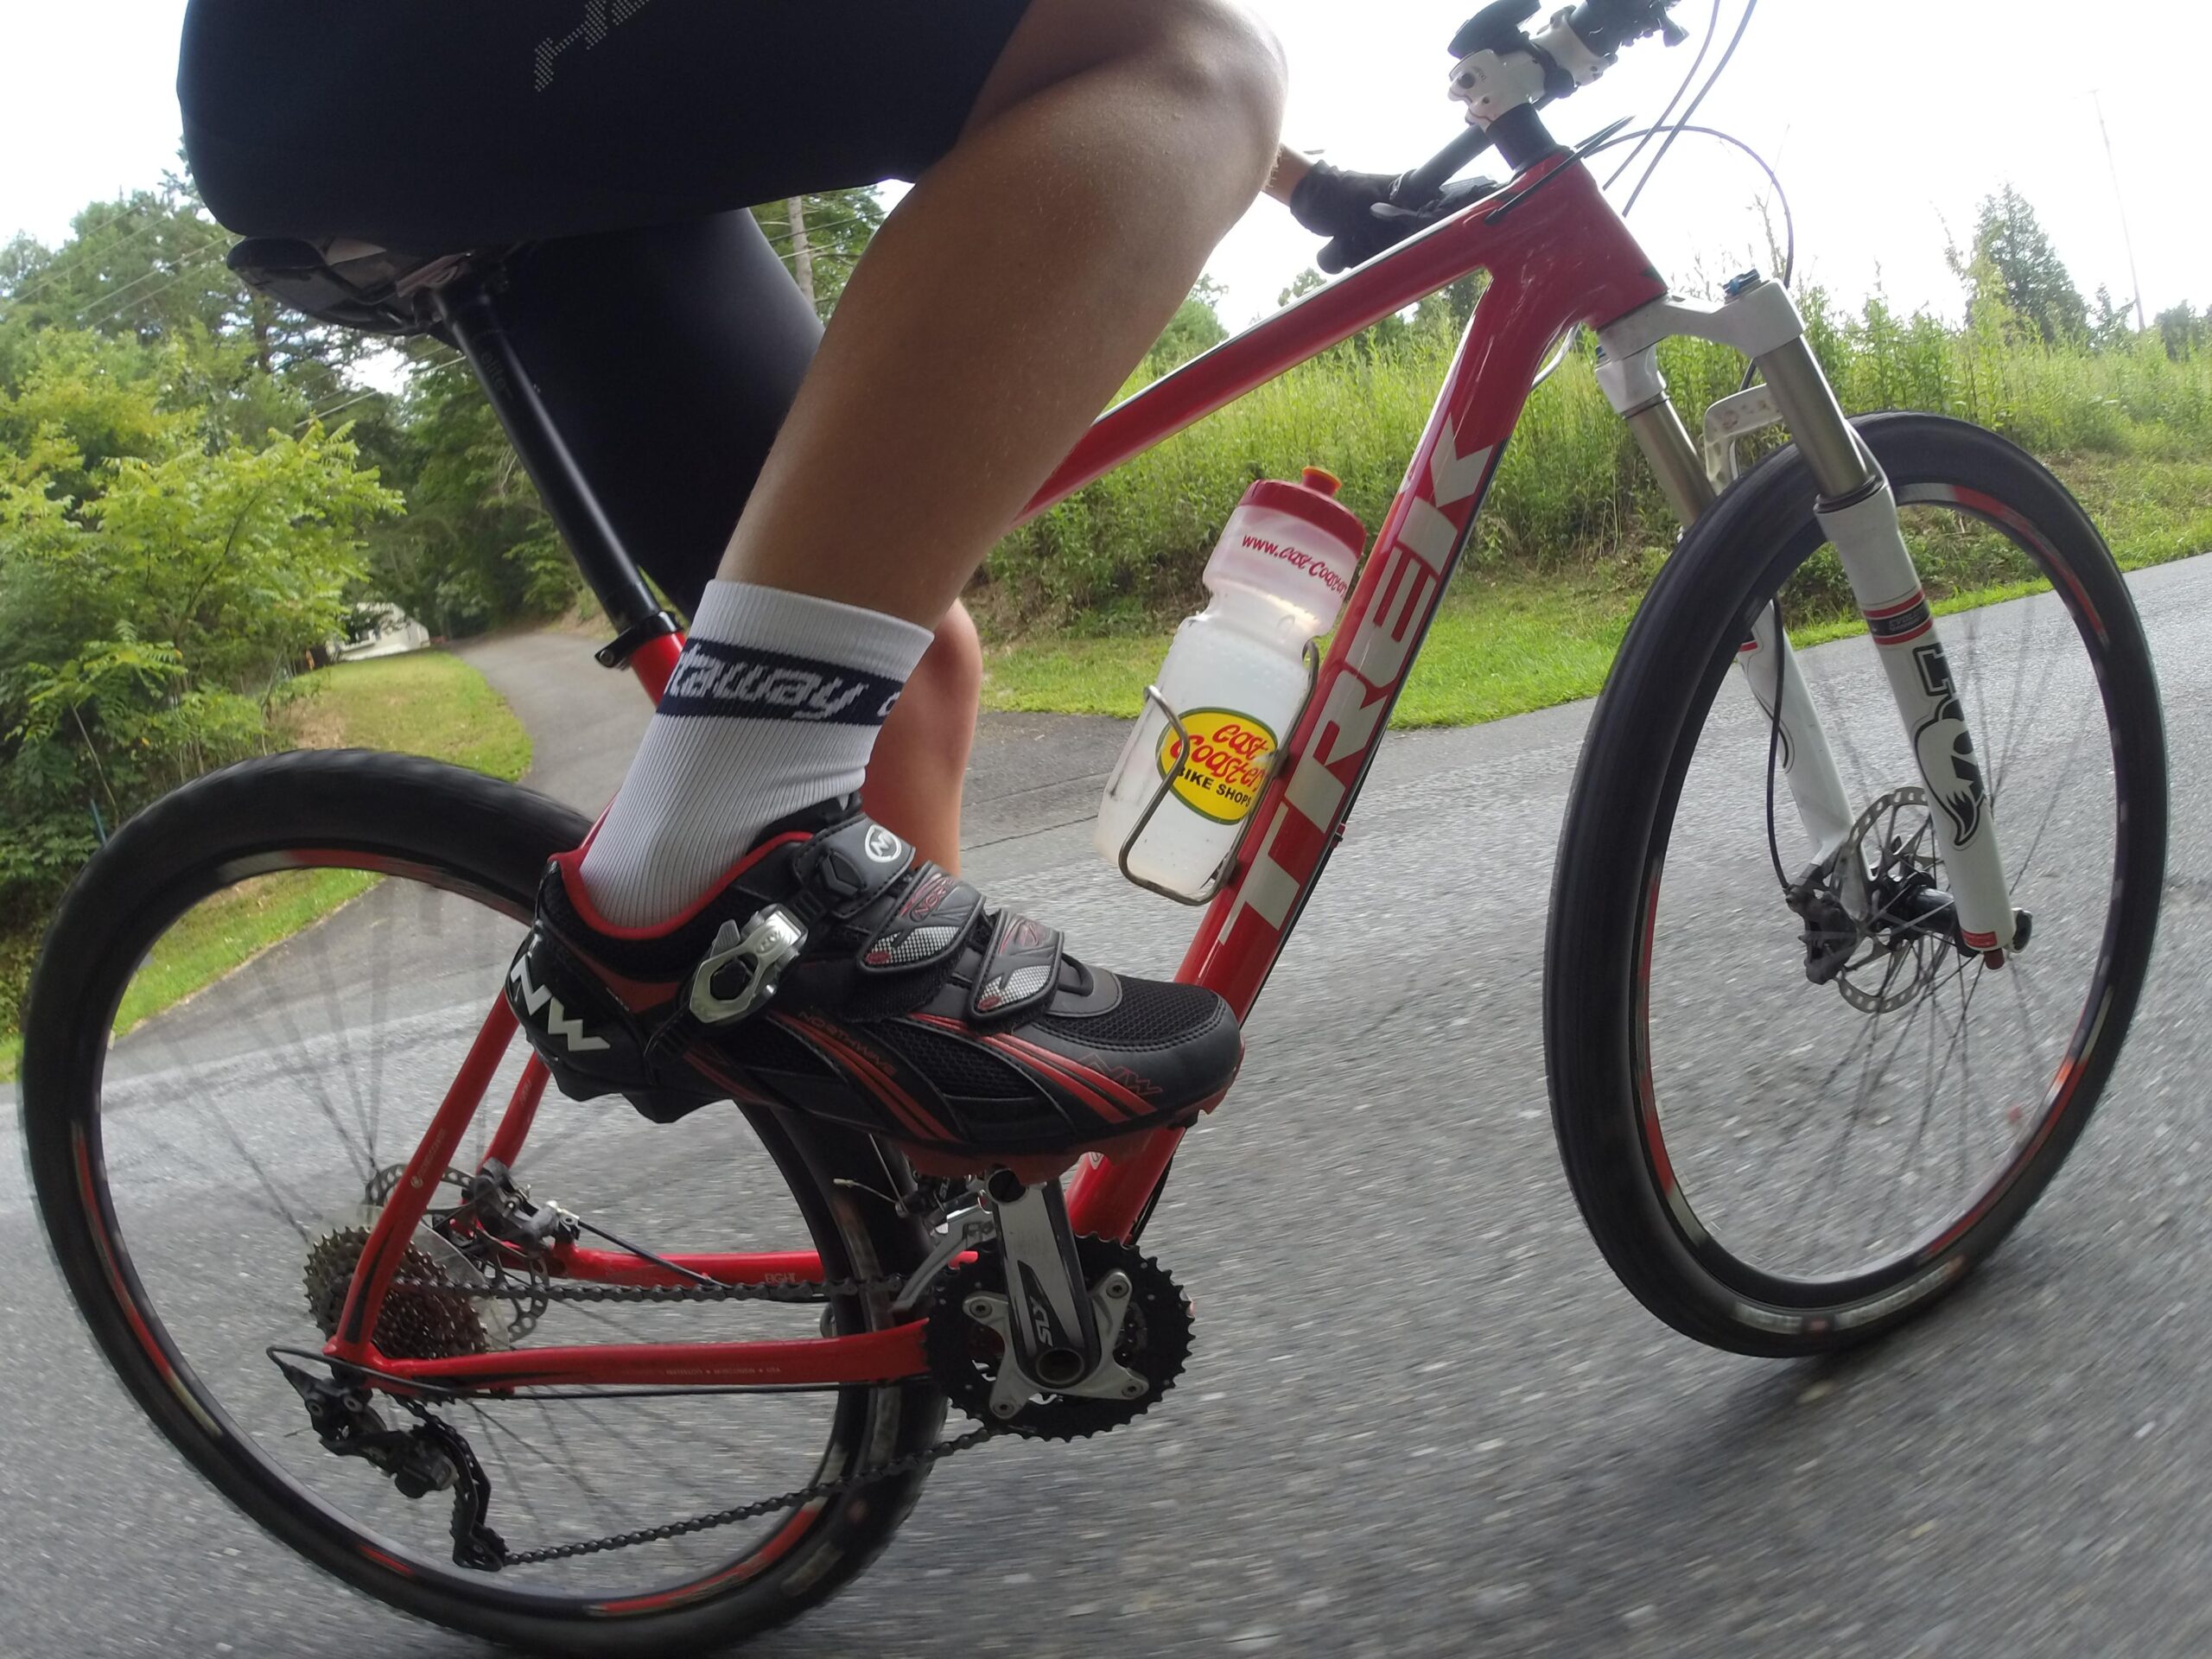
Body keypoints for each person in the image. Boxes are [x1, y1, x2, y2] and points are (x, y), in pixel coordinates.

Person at [178, 0, 1465, 1170]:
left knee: (898, 670)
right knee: (1203, 67)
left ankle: (925, 1190)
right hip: (357, 52)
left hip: (498, 108)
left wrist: (1300, 181)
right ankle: (687, 867)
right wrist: (1240, 129)